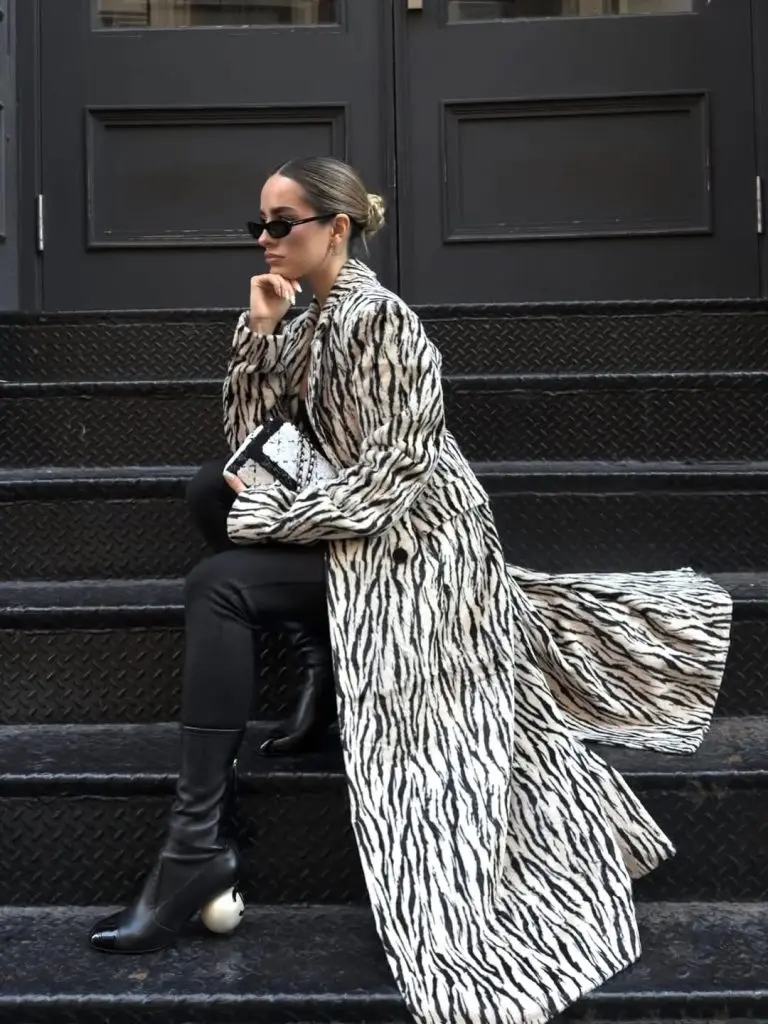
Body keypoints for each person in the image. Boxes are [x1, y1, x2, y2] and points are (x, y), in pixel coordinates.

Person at [89, 156, 732, 1024]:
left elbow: (392, 479)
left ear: (337, 228)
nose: (265, 239)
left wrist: (268, 518)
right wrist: (260, 337)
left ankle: (193, 846)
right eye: (258, 225)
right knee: (210, 488)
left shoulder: (384, 322)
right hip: (359, 525)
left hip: (419, 547)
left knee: (218, 586)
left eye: (281, 223)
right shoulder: (312, 315)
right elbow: (258, 444)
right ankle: (325, 673)